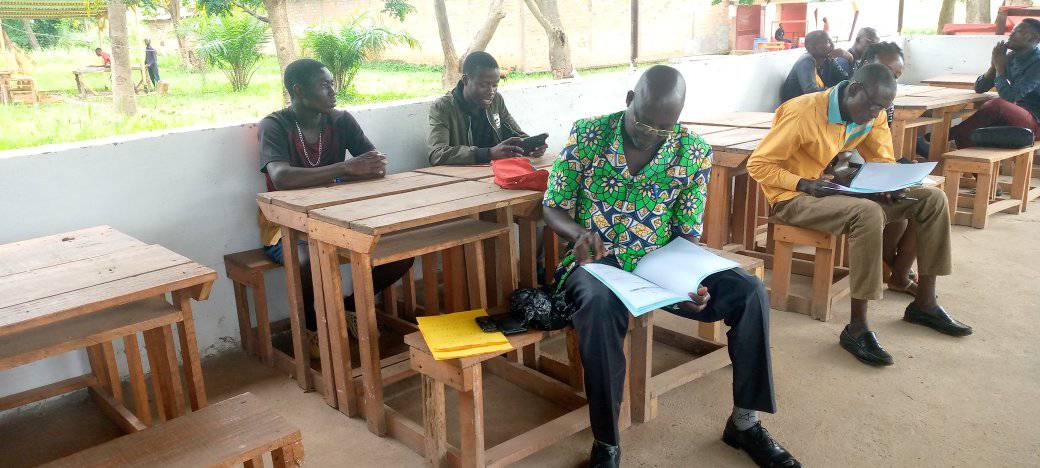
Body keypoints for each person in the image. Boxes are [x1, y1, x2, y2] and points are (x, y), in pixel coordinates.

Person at [543, 65, 800, 468]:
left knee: (748, 293)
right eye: (646, 122)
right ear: (630, 100)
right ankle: (607, 442)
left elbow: (686, 232)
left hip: (658, 264)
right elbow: (552, 204)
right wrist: (578, 234)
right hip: (595, 263)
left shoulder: (692, 150)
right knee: (597, 307)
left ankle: (745, 423)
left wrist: (689, 280)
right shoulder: (589, 135)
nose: (653, 134)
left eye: (666, 127)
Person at [748, 64, 973, 369]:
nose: (875, 114)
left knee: (932, 198)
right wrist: (804, 183)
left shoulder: (872, 112)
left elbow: (881, 158)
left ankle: (925, 303)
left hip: (830, 188)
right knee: (867, 213)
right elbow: (758, 165)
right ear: (853, 89)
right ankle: (857, 327)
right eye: (871, 106)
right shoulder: (803, 112)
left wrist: (886, 185)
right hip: (792, 197)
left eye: (882, 108)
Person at [257, 58, 413, 343]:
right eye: (324, 85)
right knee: (307, 259)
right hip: (288, 222)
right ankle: (312, 328)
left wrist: (360, 169)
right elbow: (281, 178)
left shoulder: (341, 120)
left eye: (332, 84)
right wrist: (344, 169)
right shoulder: (275, 125)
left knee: (402, 248)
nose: (332, 91)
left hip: (343, 214)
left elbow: (375, 163)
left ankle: (348, 308)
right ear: (299, 90)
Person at [857, 41, 921, 296]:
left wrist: (889, 174)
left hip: (869, 165)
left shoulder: (886, 102)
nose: (890, 80)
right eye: (885, 72)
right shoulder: (851, 95)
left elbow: (880, 148)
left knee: (913, 199)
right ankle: (887, 263)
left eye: (895, 76)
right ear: (865, 66)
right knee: (888, 207)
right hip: (845, 168)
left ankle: (897, 269)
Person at [427, 51, 546, 165]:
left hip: (496, 172)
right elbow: (437, 154)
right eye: (483, 85)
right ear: (465, 80)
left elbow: (516, 134)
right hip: (462, 177)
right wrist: (488, 153)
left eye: (495, 85)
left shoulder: (496, 101)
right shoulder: (443, 107)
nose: (491, 91)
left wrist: (530, 146)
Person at [949, 19, 1040, 149]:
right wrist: (993, 66)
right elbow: (980, 87)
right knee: (976, 131)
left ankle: (944, 137)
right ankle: (970, 166)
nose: (1011, 35)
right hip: (1017, 116)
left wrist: (999, 68)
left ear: (1034, 38)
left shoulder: (1037, 63)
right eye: (1012, 31)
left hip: (1036, 122)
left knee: (996, 105)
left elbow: (1010, 97)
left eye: (1018, 32)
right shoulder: (1011, 57)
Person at [779, 31, 853, 104]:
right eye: (828, 42)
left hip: (811, 104)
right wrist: (838, 91)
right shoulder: (806, 61)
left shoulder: (828, 60)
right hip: (794, 106)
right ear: (813, 47)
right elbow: (810, 91)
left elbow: (845, 80)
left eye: (832, 41)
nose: (832, 45)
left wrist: (849, 58)